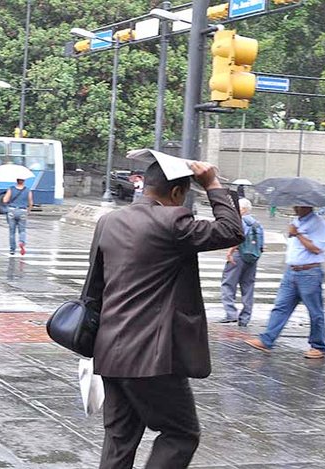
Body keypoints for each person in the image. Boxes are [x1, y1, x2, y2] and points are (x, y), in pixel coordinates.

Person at [87, 160, 244, 469]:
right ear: (176, 193)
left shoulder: (109, 221)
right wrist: (212, 184)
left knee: (119, 440)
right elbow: (231, 230)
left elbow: (93, 289)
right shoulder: (172, 221)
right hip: (151, 356)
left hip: (109, 350)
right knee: (181, 434)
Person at [245, 205, 325, 359]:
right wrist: (295, 232)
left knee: (315, 312)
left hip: (309, 273)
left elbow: (317, 249)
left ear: (308, 205)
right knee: (281, 307)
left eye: (298, 205)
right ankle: (267, 340)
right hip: (291, 271)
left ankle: (318, 346)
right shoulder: (296, 221)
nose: (295, 207)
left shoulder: (319, 224)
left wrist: (298, 234)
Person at [217, 198, 264, 327]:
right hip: (252, 257)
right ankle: (245, 317)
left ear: (242, 209)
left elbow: (239, 237)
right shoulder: (257, 224)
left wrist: (230, 252)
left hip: (239, 255)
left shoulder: (241, 221)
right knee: (248, 287)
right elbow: (261, 245)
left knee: (228, 284)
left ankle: (231, 313)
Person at [2, 178, 33, 256]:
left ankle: (12, 250)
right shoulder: (28, 190)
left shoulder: (11, 189)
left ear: (17, 181)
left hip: (12, 210)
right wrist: (28, 211)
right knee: (22, 230)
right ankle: (21, 242)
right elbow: (30, 203)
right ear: (24, 181)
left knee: (12, 232)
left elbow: (5, 200)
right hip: (23, 211)